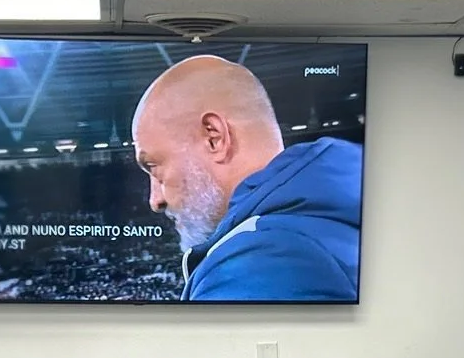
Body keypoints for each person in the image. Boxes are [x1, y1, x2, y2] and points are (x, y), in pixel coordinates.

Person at [129, 55, 363, 302]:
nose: (155, 201)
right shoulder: (335, 211)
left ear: (214, 138)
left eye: (153, 166)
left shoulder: (259, 260)